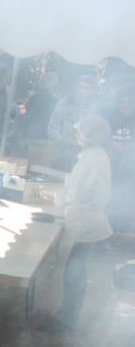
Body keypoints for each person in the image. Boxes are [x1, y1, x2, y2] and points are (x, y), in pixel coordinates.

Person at [40, 114, 113, 328]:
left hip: (83, 224)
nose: (77, 135)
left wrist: (56, 196)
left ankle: (64, 321)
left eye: (79, 132)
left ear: (88, 135)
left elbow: (76, 194)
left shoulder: (90, 159)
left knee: (72, 276)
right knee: (74, 274)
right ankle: (64, 316)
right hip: (86, 221)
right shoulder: (97, 155)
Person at [48, 73, 99, 144]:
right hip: (63, 146)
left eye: (87, 88)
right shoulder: (63, 103)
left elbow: (95, 130)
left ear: (92, 92)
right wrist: (61, 141)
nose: (83, 91)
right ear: (76, 88)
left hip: (84, 148)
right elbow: (53, 126)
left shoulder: (94, 107)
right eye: (81, 87)